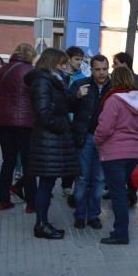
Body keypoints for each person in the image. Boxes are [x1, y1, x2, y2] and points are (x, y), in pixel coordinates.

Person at [25, 48, 79, 240]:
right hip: (48, 140)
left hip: (52, 140)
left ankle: (43, 222)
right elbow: (43, 112)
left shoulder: (52, 79)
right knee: (46, 184)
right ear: (52, 62)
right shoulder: (43, 80)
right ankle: (41, 224)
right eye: (61, 63)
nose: (64, 66)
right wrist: (61, 125)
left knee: (48, 183)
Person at [94, 66, 138, 245]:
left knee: (117, 194)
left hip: (113, 154)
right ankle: (120, 230)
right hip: (133, 154)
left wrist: (97, 141)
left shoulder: (113, 100)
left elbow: (105, 128)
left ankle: (120, 233)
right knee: (121, 191)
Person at [70, 54, 110, 230]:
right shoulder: (81, 85)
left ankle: (93, 215)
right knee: (82, 177)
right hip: (85, 137)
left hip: (105, 139)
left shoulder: (114, 88)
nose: (102, 73)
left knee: (99, 179)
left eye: (104, 69)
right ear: (91, 70)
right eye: (98, 69)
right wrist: (77, 96)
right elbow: (66, 105)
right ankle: (79, 215)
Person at [0, 44, 37, 212]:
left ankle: (3, 201)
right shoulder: (31, 72)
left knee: (8, 162)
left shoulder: (2, 70)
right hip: (26, 123)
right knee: (28, 164)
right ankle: (31, 204)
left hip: (4, 121)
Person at [113, 52, 138, 206]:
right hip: (127, 135)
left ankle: (130, 193)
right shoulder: (115, 81)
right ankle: (122, 192)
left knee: (126, 165)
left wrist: (136, 122)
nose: (113, 67)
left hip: (127, 134)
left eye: (115, 63)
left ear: (125, 64)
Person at [61, 46, 88, 201]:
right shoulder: (60, 76)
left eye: (81, 60)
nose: (79, 62)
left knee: (73, 156)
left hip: (75, 123)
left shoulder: (82, 78)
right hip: (60, 122)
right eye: (77, 59)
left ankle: (67, 185)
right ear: (68, 59)